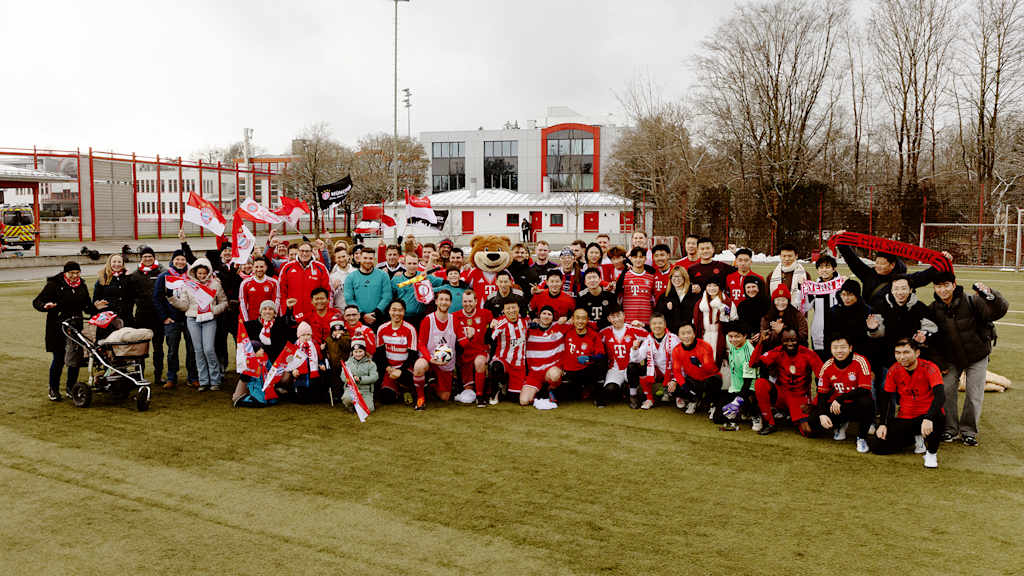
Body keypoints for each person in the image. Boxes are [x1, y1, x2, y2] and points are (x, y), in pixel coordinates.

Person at [929, 272, 1008, 446]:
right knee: (946, 391)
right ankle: (949, 429)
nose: (943, 290)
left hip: (977, 355)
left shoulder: (973, 301)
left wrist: (992, 296)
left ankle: (968, 431)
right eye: (939, 286)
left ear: (954, 284)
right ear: (934, 288)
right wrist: (940, 363)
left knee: (974, 394)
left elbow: (998, 311)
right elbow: (932, 341)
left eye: (946, 285)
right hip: (951, 359)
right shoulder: (933, 309)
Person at [871, 338, 944, 468]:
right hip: (906, 418)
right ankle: (916, 437)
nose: (901, 357)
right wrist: (882, 424)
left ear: (917, 353)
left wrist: (929, 418)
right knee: (877, 447)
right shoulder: (894, 370)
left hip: (927, 416)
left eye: (906, 352)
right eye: (898, 353)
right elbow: (886, 398)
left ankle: (931, 453)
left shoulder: (930, 368)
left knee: (938, 418)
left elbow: (940, 396)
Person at [34, 261, 101, 401]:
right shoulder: (54, 285)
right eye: (71, 273)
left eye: (77, 273)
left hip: (75, 327)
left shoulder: (81, 285)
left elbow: (86, 306)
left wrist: (96, 307)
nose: (75, 276)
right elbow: (37, 301)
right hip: (57, 326)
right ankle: (53, 389)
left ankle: (71, 388)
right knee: (58, 359)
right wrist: (45, 306)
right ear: (65, 273)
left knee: (74, 359)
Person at [168, 258, 228, 391]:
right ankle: (203, 381)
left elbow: (224, 302)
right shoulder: (188, 285)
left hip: (209, 319)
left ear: (208, 272)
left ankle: (215, 380)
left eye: (204, 273)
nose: (201, 276)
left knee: (209, 349)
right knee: (198, 350)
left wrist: (213, 311)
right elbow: (184, 305)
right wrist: (172, 299)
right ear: (194, 272)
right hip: (192, 319)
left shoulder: (215, 284)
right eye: (199, 273)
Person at [750, 328, 823, 436]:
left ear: (798, 339)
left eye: (793, 340)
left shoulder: (808, 354)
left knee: (808, 431)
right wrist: (761, 342)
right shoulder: (778, 351)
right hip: (782, 394)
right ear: (781, 340)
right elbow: (753, 364)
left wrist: (814, 404)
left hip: (799, 397)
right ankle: (770, 423)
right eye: (786, 340)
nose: (790, 343)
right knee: (760, 383)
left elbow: (823, 379)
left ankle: (795, 416)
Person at [809, 335, 874, 453]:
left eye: (843, 347)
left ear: (850, 348)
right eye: (835, 347)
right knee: (813, 423)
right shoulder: (827, 366)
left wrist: (840, 398)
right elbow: (822, 393)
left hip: (855, 406)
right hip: (836, 407)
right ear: (830, 349)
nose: (839, 351)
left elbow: (865, 389)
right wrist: (822, 414)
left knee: (867, 402)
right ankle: (839, 424)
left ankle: (862, 437)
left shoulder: (860, 361)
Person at [234, 300, 296, 406]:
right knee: (237, 396)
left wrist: (289, 309)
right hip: (256, 366)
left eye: (271, 309)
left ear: (275, 313)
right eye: (265, 309)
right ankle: (252, 390)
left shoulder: (280, 326)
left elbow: (289, 322)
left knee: (286, 377)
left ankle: (276, 388)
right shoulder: (250, 325)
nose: (267, 311)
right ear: (260, 311)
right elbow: (243, 344)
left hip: (274, 366)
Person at [154, 250, 198, 389]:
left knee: (191, 349)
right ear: (172, 261)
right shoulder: (164, 276)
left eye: (183, 259)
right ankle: (171, 377)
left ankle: (192, 377)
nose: (180, 262)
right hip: (172, 320)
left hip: (189, 318)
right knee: (172, 350)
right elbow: (157, 298)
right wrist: (164, 317)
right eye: (177, 259)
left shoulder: (191, 276)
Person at [413, 290, 458, 408]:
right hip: (429, 358)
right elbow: (421, 344)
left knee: (445, 397)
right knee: (418, 367)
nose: (444, 302)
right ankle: (420, 398)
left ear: (450, 303)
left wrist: (470, 336)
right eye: (441, 299)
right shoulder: (428, 319)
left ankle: (431, 383)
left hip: (445, 362)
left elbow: (463, 343)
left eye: (447, 300)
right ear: (436, 302)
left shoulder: (455, 320)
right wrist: (430, 358)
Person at [126, 247, 165, 383]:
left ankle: (158, 375)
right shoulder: (134, 275)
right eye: (145, 257)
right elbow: (130, 297)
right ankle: (140, 375)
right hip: (142, 316)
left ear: (154, 257)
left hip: (158, 317)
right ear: (141, 258)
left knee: (158, 348)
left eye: (150, 256)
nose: (147, 259)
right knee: (140, 349)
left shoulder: (162, 272)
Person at [668, 323, 721, 415]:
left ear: (694, 334)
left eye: (689, 333)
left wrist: (700, 364)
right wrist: (683, 385)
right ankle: (693, 400)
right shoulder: (676, 350)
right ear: (678, 336)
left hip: (708, 378)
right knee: (674, 387)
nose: (686, 336)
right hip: (693, 379)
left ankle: (713, 405)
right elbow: (677, 371)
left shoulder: (705, 346)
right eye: (683, 334)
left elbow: (711, 370)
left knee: (714, 381)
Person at [374, 299, 419, 406]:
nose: (397, 313)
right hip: (389, 369)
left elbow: (413, 355)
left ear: (404, 312)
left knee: (407, 378)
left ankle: (406, 387)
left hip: (406, 368)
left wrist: (401, 371)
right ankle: (399, 390)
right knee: (385, 398)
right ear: (389, 311)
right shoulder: (382, 328)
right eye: (394, 310)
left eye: (400, 310)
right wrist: (388, 368)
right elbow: (379, 353)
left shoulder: (410, 329)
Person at [452, 289, 493, 406]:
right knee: (468, 392)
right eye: (465, 301)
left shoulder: (486, 314)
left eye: (470, 301)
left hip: (480, 351)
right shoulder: (455, 316)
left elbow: (495, 324)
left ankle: (480, 396)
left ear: (476, 302)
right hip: (464, 356)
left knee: (480, 362)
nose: (467, 304)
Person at [630, 312, 680, 410]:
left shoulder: (674, 339)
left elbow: (681, 362)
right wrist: (635, 349)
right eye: (654, 323)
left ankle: (679, 396)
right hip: (656, 371)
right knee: (638, 367)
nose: (657, 326)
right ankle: (649, 399)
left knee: (681, 385)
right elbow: (637, 359)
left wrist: (675, 379)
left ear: (665, 324)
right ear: (651, 326)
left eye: (660, 323)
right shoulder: (648, 340)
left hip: (672, 371)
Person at [598, 305, 645, 407]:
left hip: (631, 368)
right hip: (615, 369)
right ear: (608, 319)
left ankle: (633, 395)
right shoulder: (604, 332)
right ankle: (622, 389)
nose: (616, 319)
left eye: (618, 315)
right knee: (610, 390)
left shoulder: (634, 330)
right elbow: (593, 341)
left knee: (632, 367)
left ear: (624, 315)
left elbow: (652, 336)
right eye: (613, 316)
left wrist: (643, 325)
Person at [524, 306, 571, 406]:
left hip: (550, 370)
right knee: (524, 401)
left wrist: (567, 318)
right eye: (544, 313)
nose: (546, 316)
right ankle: (541, 392)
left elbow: (576, 321)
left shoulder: (559, 326)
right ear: (539, 316)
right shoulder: (529, 329)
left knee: (555, 374)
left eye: (549, 314)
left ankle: (551, 389)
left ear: (553, 317)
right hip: (534, 373)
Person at [718, 322, 760, 431]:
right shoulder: (732, 344)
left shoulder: (748, 353)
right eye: (730, 336)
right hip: (735, 387)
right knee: (718, 418)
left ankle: (755, 415)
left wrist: (736, 401)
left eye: (737, 336)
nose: (733, 340)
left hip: (749, 388)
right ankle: (744, 411)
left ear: (745, 336)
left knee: (749, 398)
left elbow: (748, 382)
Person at [560, 308, 605, 404]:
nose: (580, 321)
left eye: (583, 318)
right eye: (577, 318)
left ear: (588, 320)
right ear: (572, 319)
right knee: (567, 396)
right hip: (570, 371)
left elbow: (601, 355)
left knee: (599, 365)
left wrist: (590, 358)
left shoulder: (593, 335)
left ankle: (597, 395)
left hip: (587, 370)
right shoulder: (566, 331)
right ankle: (581, 390)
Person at [488, 297, 529, 405]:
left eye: (513, 307)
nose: (511, 310)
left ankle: (505, 386)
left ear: (518, 308)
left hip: (519, 365)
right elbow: (489, 339)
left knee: (515, 399)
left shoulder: (525, 322)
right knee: (496, 367)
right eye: (508, 308)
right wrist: (491, 326)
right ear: (504, 311)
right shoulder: (501, 323)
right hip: (503, 360)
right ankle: (494, 392)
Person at [804, 254, 843, 360]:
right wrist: (803, 291)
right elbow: (805, 308)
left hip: (838, 330)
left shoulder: (842, 285)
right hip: (819, 331)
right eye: (821, 267)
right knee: (820, 364)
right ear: (817, 270)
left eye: (827, 266)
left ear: (834, 268)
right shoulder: (814, 287)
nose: (824, 270)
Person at [391, 249, 444, 328]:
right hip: (401, 318)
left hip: (420, 318)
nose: (412, 266)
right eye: (409, 263)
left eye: (414, 263)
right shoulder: (396, 280)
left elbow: (444, 283)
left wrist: (432, 290)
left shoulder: (423, 276)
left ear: (417, 264)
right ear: (404, 264)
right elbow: (390, 297)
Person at [278, 241, 331, 321]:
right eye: (302, 251)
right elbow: (281, 292)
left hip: (315, 314)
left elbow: (327, 291)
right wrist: (285, 311)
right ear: (298, 251)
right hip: (293, 314)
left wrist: (325, 312)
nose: (304, 254)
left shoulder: (321, 268)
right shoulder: (287, 268)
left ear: (311, 252)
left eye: (307, 251)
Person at [344, 247, 393, 329]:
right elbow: (349, 299)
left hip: (379, 318)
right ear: (360, 259)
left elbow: (387, 296)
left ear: (374, 259)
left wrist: (375, 313)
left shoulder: (383, 275)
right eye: (365, 258)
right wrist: (362, 314)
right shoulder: (351, 277)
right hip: (359, 319)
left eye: (370, 258)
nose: (368, 261)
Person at [693, 279, 736, 365]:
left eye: (715, 286)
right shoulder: (700, 303)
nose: (712, 288)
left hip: (720, 336)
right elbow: (695, 321)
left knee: (718, 362)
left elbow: (733, 320)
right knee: (705, 362)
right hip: (704, 336)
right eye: (709, 286)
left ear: (719, 287)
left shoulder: (727, 302)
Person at [759, 284, 808, 351]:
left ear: (788, 301)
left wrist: (784, 331)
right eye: (778, 300)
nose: (780, 303)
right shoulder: (767, 317)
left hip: (794, 351)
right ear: (773, 301)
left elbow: (804, 335)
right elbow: (764, 339)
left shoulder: (797, 315)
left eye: (783, 300)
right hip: (773, 352)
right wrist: (776, 332)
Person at [616, 247, 656, 327]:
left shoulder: (651, 277)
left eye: (641, 257)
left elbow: (654, 299)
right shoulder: (624, 276)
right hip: (628, 322)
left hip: (646, 322)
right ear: (630, 259)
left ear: (645, 259)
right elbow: (618, 296)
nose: (638, 260)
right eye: (635, 257)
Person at [655, 265, 700, 335]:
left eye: (679, 276)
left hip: (689, 333)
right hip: (672, 334)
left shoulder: (693, 294)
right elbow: (658, 315)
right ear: (671, 278)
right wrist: (666, 307)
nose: (677, 279)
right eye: (674, 276)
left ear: (685, 277)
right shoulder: (665, 296)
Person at [93, 254, 132, 325]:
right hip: (107, 318)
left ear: (123, 264)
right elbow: (95, 299)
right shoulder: (102, 278)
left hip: (125, 317)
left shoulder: (128, 277)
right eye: (114, 262)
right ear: (109, 263)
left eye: (119, 262)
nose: (116, 264)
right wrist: (97, 305)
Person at [768, 243, 808, 311]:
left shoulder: (805, 274)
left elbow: (808, 299)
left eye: (790, 256)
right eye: (784, 256)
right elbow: (768, 298)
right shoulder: (771, 275)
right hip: (777, 313)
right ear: (780, 256)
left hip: (796, 314)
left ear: (796, 256)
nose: (786, 259)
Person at [239, 256, 281, 322]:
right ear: (253, 267)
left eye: (261, 267)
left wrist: (272, 317)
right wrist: (247, 321)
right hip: (252, 320)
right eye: (256, 267)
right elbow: (243, 304)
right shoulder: (245, 283)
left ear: (266, 267)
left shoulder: (274, 283)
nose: (259, 269)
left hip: (269, 320)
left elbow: (277, 301)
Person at [342, 339, 378, 414]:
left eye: (360, 351)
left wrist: (361, 379)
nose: (358, 354)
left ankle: (368, 402)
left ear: (364, 352)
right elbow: (343, 377)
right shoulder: (347, 363)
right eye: (355, 352)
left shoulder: (371, 363)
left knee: (369, 409)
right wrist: (351, 379)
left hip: (365, 390)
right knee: (346, 399)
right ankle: (351, 406)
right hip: (352, 389)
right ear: (352, 352)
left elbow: (374, 377)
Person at [737, 275, 770, 345]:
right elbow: (742, 324)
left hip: (766, 338)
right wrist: (746, 338)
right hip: (748, 340)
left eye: (753, 286)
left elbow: (771, 321)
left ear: (759, 288)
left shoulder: (768, 303)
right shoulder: (742, 305)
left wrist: (762, 333)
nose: (751, 290)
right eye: (748, 287)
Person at [329, 242, 354, 309]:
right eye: (339, 257)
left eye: (343, 256)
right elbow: (329, 298)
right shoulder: (332, 277)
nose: (342, 259)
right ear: (335, 259)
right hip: (340, 310)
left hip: (355, 310)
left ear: (348, 257)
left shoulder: (356, 272)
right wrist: (333, 289)